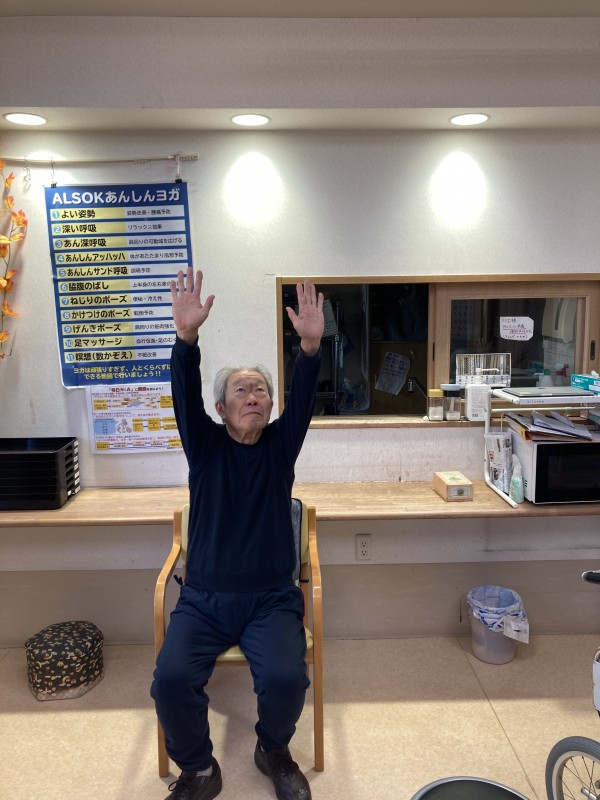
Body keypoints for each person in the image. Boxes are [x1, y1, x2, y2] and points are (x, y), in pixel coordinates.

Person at [151, 267, 324, 800]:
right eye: (241, 390)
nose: (253, 396)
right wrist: (186, 341)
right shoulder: (205, 448)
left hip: (271, 599)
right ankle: (199, 770)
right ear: (220, 408)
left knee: (286, 680)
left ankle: (272, 750)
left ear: (270, 407)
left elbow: (304, 396)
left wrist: (310, 349)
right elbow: (183, 394)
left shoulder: (280, 447)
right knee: (170, 681)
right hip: (204, 599)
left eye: (261, 391)